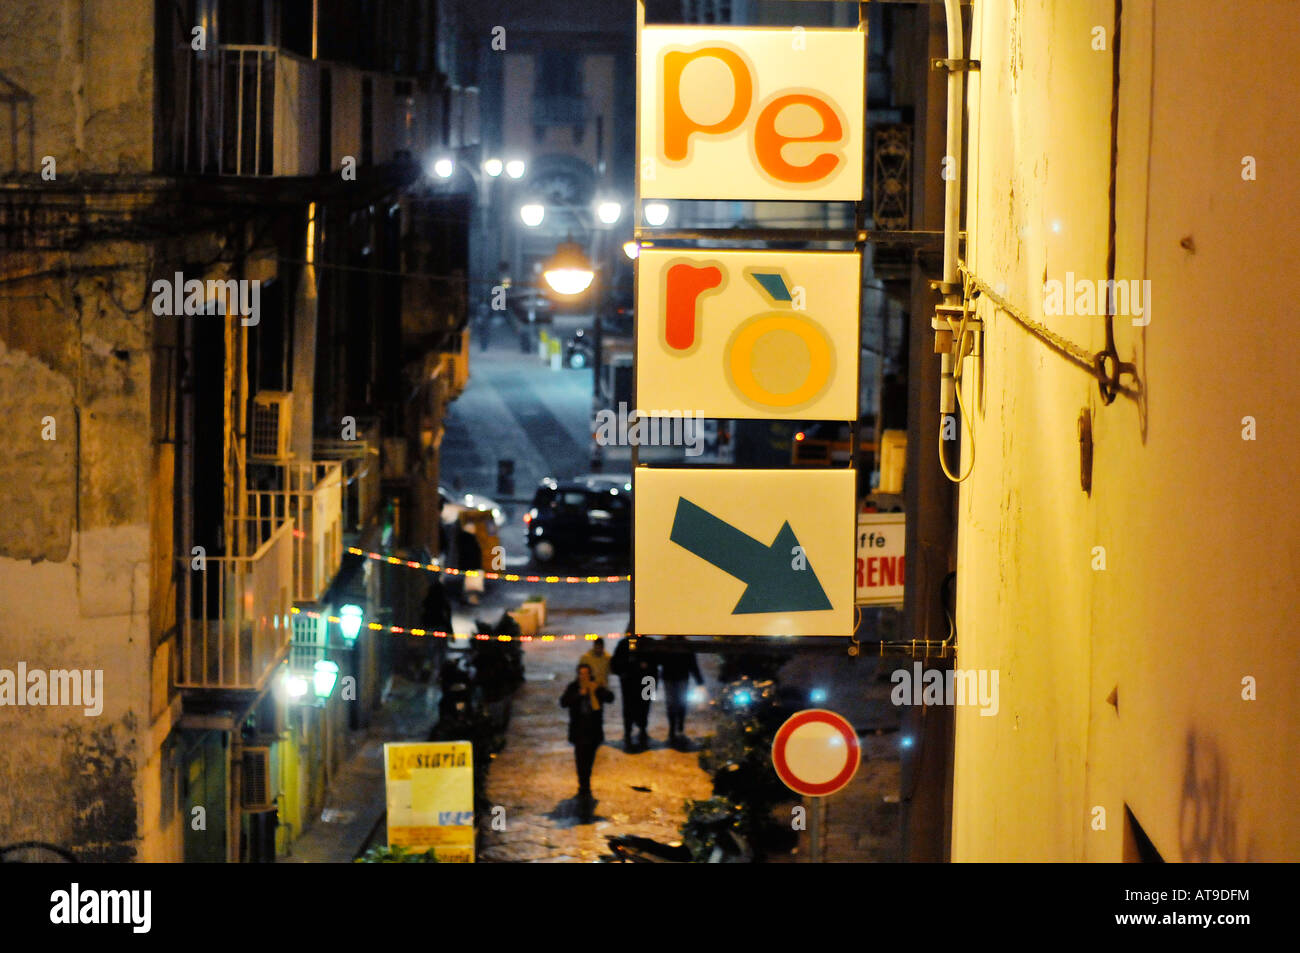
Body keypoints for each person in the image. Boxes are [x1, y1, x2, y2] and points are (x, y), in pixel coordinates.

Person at [560, 663, 614, 806]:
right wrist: (579, 695)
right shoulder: (573, 687)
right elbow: (564, 702)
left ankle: (586, 783)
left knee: (589, 760)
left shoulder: (595, 686)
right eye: (581, 673)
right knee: (580, 759)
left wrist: (597, 690)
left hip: (593, 731)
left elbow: (610, 698)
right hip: (579, 731)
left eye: (586, 673)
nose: (583, 676)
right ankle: (583, 785)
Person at [609, 633, 659, 752]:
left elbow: (657, 661)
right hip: (632, 682)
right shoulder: (625, 644)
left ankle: (640, 731)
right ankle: (631, 732)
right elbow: (615, 664)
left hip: (646, 682)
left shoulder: (648, 643)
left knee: (643, 707)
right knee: (631, 708)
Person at [659, 636, 704, 746]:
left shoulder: (666, 643)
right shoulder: (684, 643)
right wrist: (699, 681)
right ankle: (678, 728)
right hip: (679, 676)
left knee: (673, 704)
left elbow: (659, 660)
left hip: (671, 676)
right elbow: (692, 663)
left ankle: (674, 729)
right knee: (679, 703)